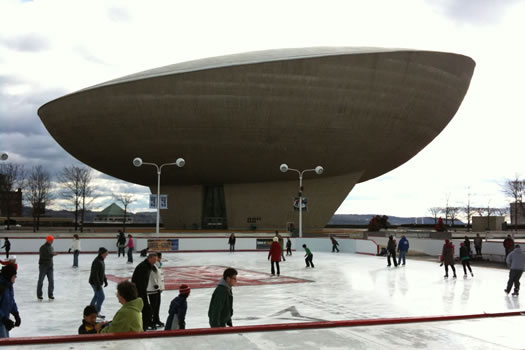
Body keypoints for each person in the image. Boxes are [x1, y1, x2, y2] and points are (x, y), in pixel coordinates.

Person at [131, 252, 157, 331]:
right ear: (149, 258)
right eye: (154, 259)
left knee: (146, 309)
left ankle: (146, 324)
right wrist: (139, 293)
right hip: (139, 292)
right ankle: (143, 327)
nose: (155, 261)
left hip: (141, 291)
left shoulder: (148, 265)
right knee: (146, 309)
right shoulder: (143, 267)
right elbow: (137, 280)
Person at [0, 264, 21, 338]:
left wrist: (16, 314)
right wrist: (4, 319)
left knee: (5, 343)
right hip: (2, 321)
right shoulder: (1, 287)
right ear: (9, 275)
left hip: (3, 322)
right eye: (14, 275)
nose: (16, 277)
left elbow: (11, 301)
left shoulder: (9, 285)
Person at [89, 247, 109, 318]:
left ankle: (90, 310)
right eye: (106, 253)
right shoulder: (97, 261)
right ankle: (96, 312)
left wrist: (105, 280)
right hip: (95, 282)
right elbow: (95, 274)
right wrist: (97, 285)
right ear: (102, 253)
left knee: (97, 296)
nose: (107, 254)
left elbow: (102, 272)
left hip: (97, 282)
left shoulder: (101, 260)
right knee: (101, 297)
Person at [147, 252, 165, 329]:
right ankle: (149, 321)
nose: (156, 260)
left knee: (157, 306)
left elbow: (159, 275)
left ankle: (156, 319)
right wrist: (156, 286)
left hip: (157, 289)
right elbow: (152, 276)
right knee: (153, 306)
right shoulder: (151, 266)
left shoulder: (156, 265)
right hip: (153, 289)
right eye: (155, 259)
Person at [37, 235, 57, 300]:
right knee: (41, 281)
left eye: (52, 240)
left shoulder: (51, 247)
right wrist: (51, 255)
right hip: (43, 266)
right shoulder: (42, 248)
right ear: (48, 240)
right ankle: (39, 295)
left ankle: (50, 294)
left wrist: (52, 255)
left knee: (51, 281)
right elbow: (43, 257)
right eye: (51, 240)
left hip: (50, 266)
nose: (52, 241)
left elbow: (50, 256)